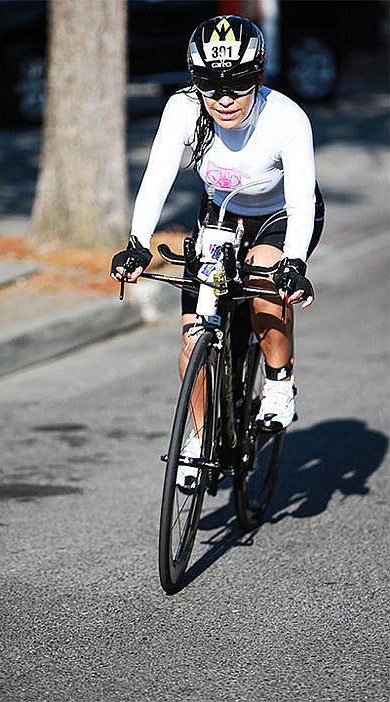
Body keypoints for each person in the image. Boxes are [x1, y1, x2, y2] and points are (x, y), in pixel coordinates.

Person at [111, 15, 324, 491]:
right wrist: (137, 244)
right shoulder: (183, 110)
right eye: (208, 83)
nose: (224, 97)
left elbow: (302, 198)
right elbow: (157, 177)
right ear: (194, 79)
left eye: (238, 83)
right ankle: (200, 435)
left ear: (260, 76)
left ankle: (277, 382)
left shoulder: (287, 119)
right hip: (220, 215)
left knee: (267, 275)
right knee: (193, 337)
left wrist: (295, 263)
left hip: (281, 215)